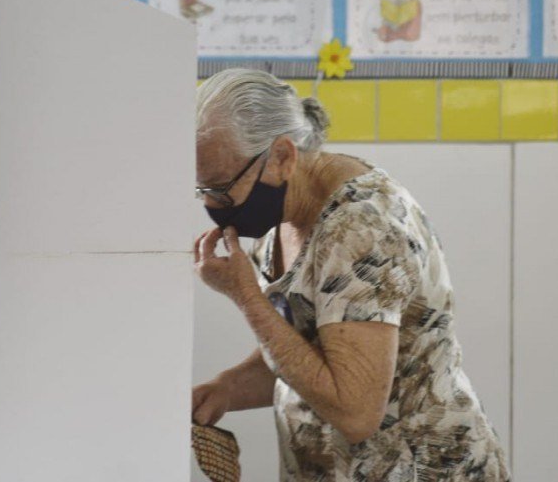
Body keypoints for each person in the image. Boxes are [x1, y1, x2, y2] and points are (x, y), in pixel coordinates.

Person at [192, 69, 510, 481]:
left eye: (220, 188)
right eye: (203, 190)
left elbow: (355, 411)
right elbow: (302, 353)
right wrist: (225, 390)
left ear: (283, 157)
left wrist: (248, 298)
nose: (213, 205)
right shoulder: (280, 216)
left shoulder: (362, 229)